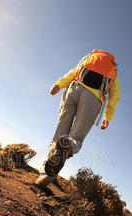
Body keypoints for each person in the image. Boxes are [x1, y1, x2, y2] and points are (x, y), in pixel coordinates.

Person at [35, 49, 120, 187]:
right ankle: (67, 147)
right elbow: (114, 96)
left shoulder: (88, 59)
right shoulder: (113, 71)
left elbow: (74, 72)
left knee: (59, 134)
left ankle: (46, 175)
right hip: (92, 99)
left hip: (73, 90)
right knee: (76, 137)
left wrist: (59, 84)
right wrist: (107, 116)